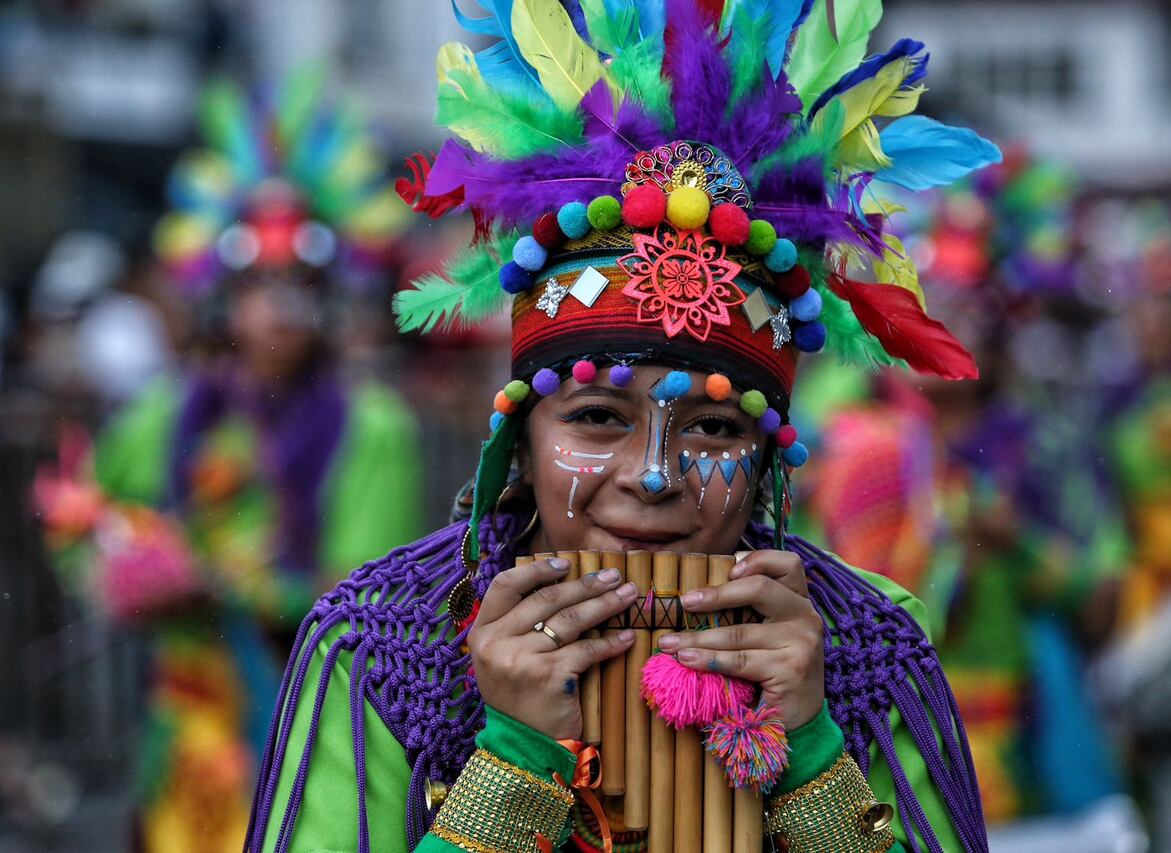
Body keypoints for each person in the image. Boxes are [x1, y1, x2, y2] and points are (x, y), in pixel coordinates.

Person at [246, 1, 998, 851]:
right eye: (598, 416)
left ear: (768, 458)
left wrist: (815, 760)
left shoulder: (868, 643)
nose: (653, 474)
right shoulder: (381, 649)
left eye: (714, 427)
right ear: (520, 441)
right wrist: (514, 767)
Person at [38, 72, 425, 853]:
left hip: (315, 717)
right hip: (187, 724)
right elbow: (77, 511)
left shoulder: (373, 425)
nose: (280, 307)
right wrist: (123, 570)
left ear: (330, 295)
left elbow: (367, 591)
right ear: (225, 296)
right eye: (259, 283)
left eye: (300, 283)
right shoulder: (168, 412)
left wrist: (224, 585)